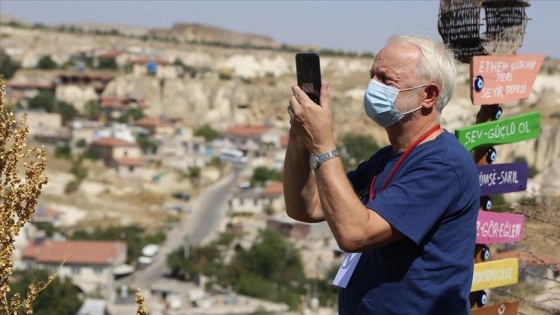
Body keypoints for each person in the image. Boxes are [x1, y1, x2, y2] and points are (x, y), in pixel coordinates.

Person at [283, 34, 479, 314]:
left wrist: (322, 143)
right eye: (372, 76)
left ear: (428, 95)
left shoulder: (443, 165)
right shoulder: (387, 158)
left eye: (386, 80)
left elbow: (354, 234)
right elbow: (306, 207)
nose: (372, 86)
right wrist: (299, 136)